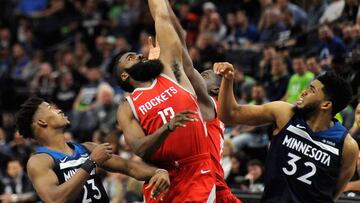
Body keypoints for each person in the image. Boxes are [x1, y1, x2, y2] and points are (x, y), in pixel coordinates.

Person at [214, 62, 359, 202]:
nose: (304, 92)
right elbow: (230, 114)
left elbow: (333, 193)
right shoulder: (285, 113)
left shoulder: (347, 146)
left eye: (312, 90)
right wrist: (228, 80)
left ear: (326, 104)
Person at [116, 0, 215, 202]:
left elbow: (161, 16)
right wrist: (167, 128)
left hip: (197, 171)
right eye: (130, 57)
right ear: (124, 76)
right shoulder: (127, 107)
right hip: (161, 177)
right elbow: (139, 148)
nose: (138, 54)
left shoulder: (171, 72)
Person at [146, 1, 241, 201]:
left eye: (205, 75)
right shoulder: (192, 103)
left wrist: (162, 12)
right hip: (192, 177)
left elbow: (183, 58)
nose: (199, 76)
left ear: (216, 89)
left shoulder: (210, 105)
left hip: (208, 183)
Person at [15, 97, 170, 203]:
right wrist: (91, 163)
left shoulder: (87, 148)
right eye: (50, 108)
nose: (59, 110)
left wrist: (157, 172)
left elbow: (129, 167)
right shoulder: (39, 161)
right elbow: (55, 200)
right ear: (42, 121)